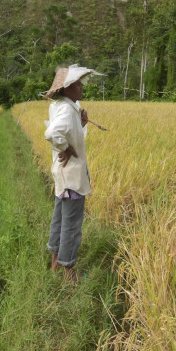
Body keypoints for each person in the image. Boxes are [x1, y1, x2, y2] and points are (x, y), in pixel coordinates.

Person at [42, 64, 101, 282]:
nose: (81, 88)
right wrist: (64, 148)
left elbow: (70, 133)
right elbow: (52, 133)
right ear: (67, 88)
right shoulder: (67, 109)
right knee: (72, 224)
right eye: (77, 84)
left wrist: (82, 122)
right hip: (72, 178)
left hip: (62, 176)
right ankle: (69, 273)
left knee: (59, 219)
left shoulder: (62, 106)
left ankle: (55, 263)